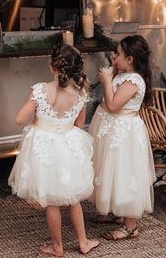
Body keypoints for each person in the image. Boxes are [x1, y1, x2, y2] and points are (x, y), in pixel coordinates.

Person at [8, 44, 99, 257]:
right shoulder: (81, 93)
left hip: (45, 149)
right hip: (69, 145)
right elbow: (79, 124)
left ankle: (58, 247)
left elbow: (19, 118)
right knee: (72, 198)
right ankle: (83, 242)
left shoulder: (40, 90)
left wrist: (39, 117)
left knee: (51, 200)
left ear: (52, 67)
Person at [88, 35, 156, 240]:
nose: (114, 57)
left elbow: (113, 105)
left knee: (124, 173)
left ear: (130, 59)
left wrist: (108, 80)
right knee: (110, 171)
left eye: (118, 54)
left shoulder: (134, 80)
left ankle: (130, 226)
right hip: (112, 130)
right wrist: (114, 71)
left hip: (123, 134)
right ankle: (116, 213)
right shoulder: (124, 74)